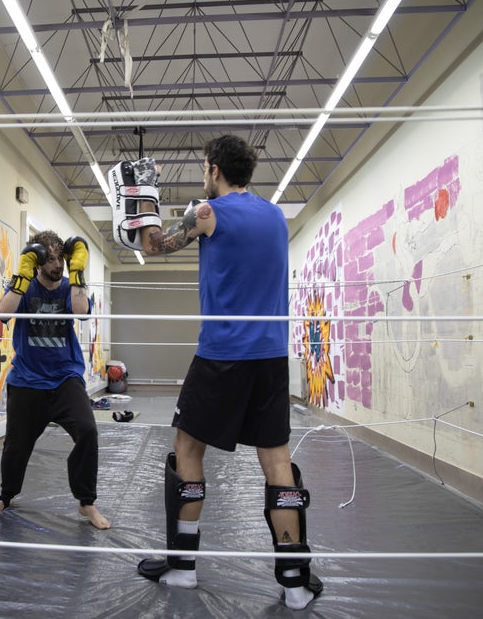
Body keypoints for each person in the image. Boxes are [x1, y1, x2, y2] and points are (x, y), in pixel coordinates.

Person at [109, 135, 322, 609]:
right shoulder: (275, 216)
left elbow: (154, 245)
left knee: (187, 446)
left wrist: (140, 200)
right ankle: (294, 582)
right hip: (269, 357)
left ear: (213, 169)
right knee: (276, 460)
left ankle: (183, 568)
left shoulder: (208, 213)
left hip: (223, 354)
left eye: (206, 168)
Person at [0, 229, 110, 530]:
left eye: (61, 258)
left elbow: (81, 313)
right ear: (38, 261)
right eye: (50, 259)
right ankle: (7, 494)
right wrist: (21, 276)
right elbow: (1, 315)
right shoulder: (25, 288)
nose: (57, 265)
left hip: (65, 377)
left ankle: (86, 503)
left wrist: (78, 272)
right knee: (16, 446)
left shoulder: (69, 286)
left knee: (87, 431)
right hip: (27, 379)